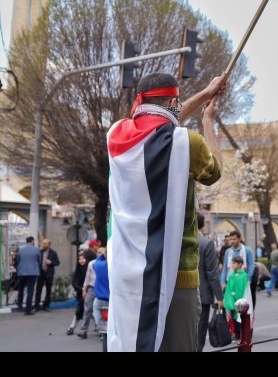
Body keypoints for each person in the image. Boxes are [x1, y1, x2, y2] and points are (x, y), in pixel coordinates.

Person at [107, 72, 225, 352]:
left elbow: (158, 123)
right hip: (176, 274)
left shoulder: (117, 135)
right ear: (173, 102)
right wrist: (208, 121)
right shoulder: (188, 143)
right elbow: (215, 171)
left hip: (126, 272)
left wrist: (205, 94)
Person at [196, 213, 223, 352]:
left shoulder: (179, 242)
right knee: (199, 334)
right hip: (202, 295)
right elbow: (212, 273)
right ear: (203, 225)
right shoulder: (206, 243)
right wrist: (219, 297)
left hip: (180, 295)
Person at [224, 256, 248, 342]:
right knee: (233, 317)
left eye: (234, 263)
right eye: (232, 263)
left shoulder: (244, 276)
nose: (232, 265)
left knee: (239, 317)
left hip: (239, 300)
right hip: (231, 300)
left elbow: (242, 289)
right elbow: (229, 288)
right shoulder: (231, 275)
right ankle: (235, 333)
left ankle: (240, 334)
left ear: (240, 264)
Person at [15, 236, 41, 315]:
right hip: (33, 272)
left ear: (26, 241)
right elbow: (39, 261)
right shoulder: (36, 249)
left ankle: (19, 305)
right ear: (32, 241)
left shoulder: (20, 249)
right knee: (30, 291)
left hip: (22, 272)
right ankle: (28, 309)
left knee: (21, 289)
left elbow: (17, 260)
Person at [34, 238, 60, 311]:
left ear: (49, 244)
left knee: (48, 290)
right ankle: (36, 306)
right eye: (43, 243)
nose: (43, 245)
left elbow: (57, 262)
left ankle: (46, 305)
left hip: (49, 273)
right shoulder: (40, 252)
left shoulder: (53, 253)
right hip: (41, 273)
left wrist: (51, 262)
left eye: (45, 244)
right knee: (38, 289)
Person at [68, 252, 89, 336]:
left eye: (83, 258)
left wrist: (87, 289)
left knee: (91, 311)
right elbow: (74, 282)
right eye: (79, 259)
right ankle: (72, 327)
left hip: (90, 292)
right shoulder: (77, 270)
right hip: (81, 294)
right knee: (80, 310)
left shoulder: (89, 269)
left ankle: (100, 329)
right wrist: (81, 289)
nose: (81, 260)